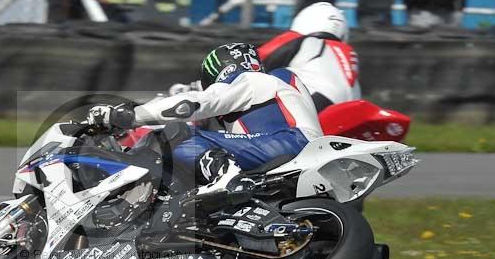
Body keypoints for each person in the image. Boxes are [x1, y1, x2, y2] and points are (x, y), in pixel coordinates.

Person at [86, 43, 322, 186]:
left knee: (180, 137)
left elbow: (194, 104)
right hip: (300, 151)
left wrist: (129, 117)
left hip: (288, 143)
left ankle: (228, 179)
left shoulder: (251, 80)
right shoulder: (281, 84)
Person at [258, 2, 359, 112]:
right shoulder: (349, 54)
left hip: (314, 103)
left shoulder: (302, 40)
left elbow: (255, 60)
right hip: (350, 109)